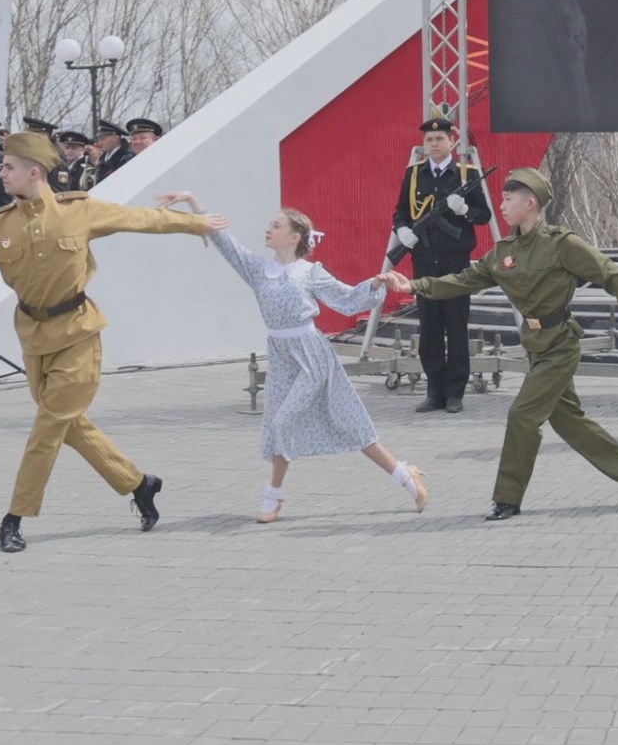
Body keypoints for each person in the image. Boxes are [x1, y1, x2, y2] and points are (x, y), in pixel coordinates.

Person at [0, 131, 224, 552]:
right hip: (33, 338)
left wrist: (196, 224)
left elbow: (140, 219)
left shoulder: (78, 210)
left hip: (79, 333)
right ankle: (140, 484)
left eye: (9, 167)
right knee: (70, 425)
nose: (1, 173)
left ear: (34, 172)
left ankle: (15, 517)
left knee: (47, 429)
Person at [382, 169, 618, 521]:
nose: (501, 205)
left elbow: (608, 273)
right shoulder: (504, 252)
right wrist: (414, 286)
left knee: (522, 415)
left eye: (507, 199)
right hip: (535, 345)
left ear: (530, 204)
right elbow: (463, 280)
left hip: (560, 344)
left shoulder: (562, 244)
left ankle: (507, 498)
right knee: (568, 421)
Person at [161, 192, 429, 521]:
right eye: (270, 224)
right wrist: (194, 203)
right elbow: (227, 244)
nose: (268, 229)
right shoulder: (258, 269)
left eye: (276, 225)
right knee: (296, 422)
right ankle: (400, 475)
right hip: (281, 355)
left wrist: (375, 285)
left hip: (311, 356)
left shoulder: (310, 272)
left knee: (309, 421)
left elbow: (347, 300)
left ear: (294, 237)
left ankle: (279, 495)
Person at [391, 115, 492, 413]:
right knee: (430, 326)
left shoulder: (466, 174)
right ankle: (434, 390)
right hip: (424, 260)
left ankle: (455, 393)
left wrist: (464, 211)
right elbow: (400, 212)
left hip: (455, 262)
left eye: (440, 139)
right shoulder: (414, 174)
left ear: (452, 141)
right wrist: (403, 230)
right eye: (429, 140)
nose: (434, 143)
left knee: (456, 325)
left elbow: (484, 215)